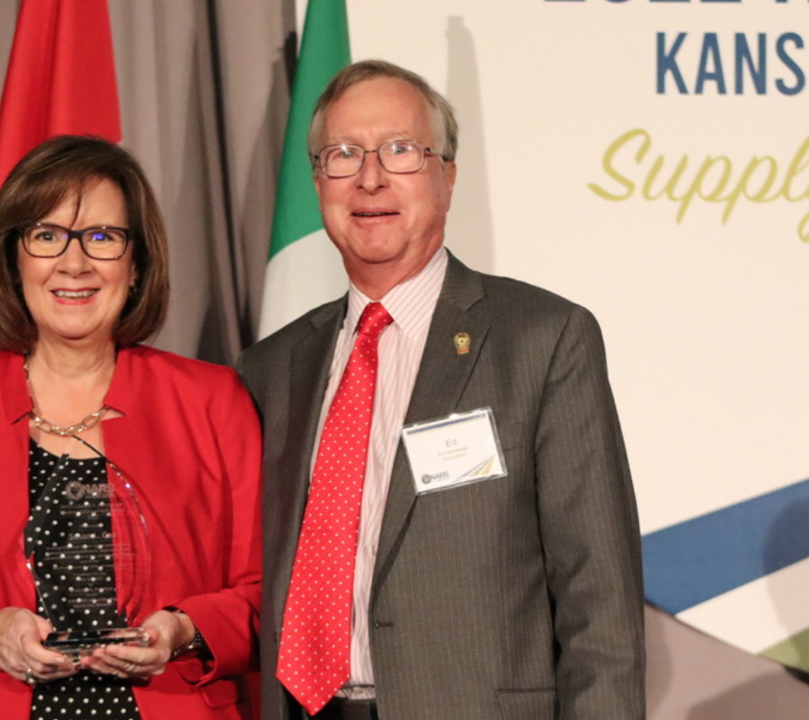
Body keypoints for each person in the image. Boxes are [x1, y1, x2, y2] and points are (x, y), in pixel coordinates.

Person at [238, 60, 645, 720]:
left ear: (447, 176)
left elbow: (600, 600)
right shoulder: (270, 368)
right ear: (318, 183)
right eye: (343, 155)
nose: (370, 178)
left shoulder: (542, 340)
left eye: (400, 150)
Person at [0, 135, 262, 720]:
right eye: (46, 236)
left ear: (137, 265)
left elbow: (271, 590)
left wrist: (183, 630)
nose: (74, 263)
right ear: (14, 260)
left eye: (102, 237)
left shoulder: (213, 401)